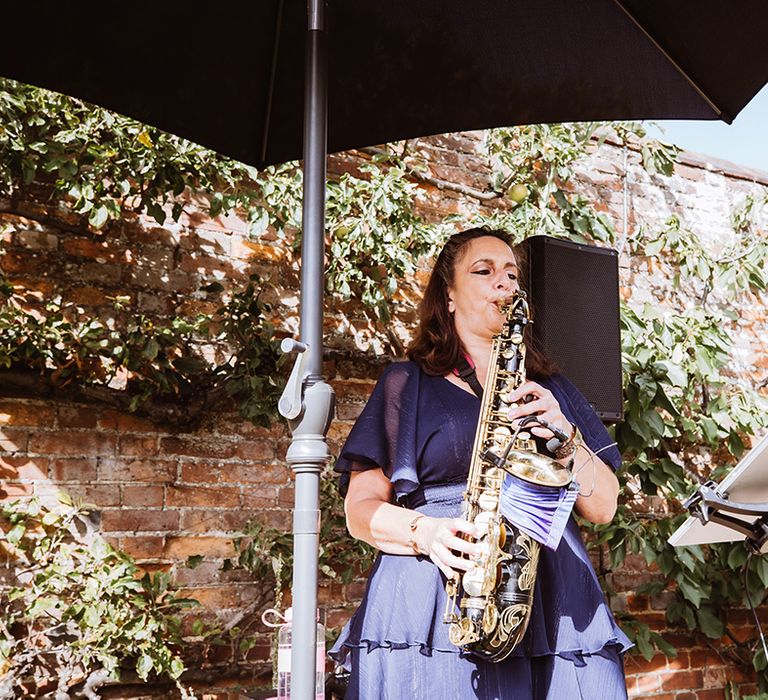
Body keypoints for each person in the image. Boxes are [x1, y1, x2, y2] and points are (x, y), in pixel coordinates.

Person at [329, 228, 631, 699]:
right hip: (437, 593)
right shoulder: (405, 384)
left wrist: (567, 437)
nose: (504, 282)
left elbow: (605, 507)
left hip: (554, 601)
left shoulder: (554, 389)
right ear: (448, 295)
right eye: (484, 271)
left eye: (511, 273)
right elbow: (360, 509)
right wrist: (425, 534)